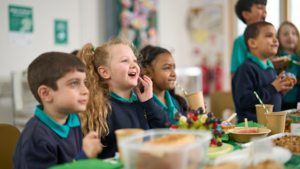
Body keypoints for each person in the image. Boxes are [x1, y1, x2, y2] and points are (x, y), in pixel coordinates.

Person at [77, 36, 171, 159]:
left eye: (135, 61)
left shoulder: (143, 102)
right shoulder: (98, 108)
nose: (134, 65)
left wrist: (149, 103)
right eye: (124, 61)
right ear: (105, 72)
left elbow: (166, 131)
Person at [13, 52, 103, 169]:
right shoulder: (36, 136)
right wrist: (84, 155)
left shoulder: (73, 119)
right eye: (74, 83)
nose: (85, 90)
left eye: (84, 82)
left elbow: (72, 162)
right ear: (46, 93)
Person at [232, 22, 296, 123]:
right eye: (269, 36)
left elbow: (272, 99)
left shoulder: (271, 69)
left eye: (276, 36)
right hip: (252, 129)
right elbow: (244, 101)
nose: (275, 40)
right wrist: (273, 88)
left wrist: (281, 92)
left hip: (271, 126)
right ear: (252, 43)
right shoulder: (246, 68)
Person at [139, 45, 188, 124]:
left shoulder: (178, 103)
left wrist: (191, 116)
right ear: (147, 73)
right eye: (167, 68)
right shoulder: (142, 106)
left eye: (174, 68)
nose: (174, 74)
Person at [231, 0, 267, 78]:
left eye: (265, 8)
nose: (265, 11)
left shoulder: (267, 40)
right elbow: (234, 73)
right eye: (260, 8)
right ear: (246, 14)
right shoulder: (240, 41)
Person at [277, 21, 300, 110]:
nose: (290, 36)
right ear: (278, 38)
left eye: (294, 34)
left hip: (297, 102)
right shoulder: (274, 59)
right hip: (280, 103)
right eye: (285, 34)